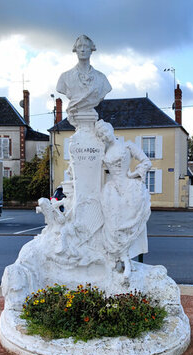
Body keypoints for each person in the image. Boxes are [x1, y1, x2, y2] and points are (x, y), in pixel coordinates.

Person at [95, 120, 152, 280]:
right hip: (112, 190)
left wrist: (134, 174)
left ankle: (126, 260)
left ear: (111, 129)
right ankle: (120, 260)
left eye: (105, 131)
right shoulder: (104, 151)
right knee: (112, 226)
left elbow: (146, 161)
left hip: (129, 188)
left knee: (126, 226)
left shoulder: (128, 146)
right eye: (101, 135)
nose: (105, 135)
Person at [56, 35, 111, 124]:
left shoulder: (101, 78)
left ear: (91, 50)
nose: (82, 50)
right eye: (79, 46)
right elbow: (60, 89)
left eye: (85, 46)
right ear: (76, 50)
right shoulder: (65, 77)